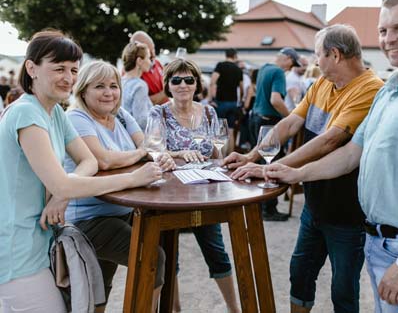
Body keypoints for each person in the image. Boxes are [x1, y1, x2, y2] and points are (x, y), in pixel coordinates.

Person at [266, 0, 398, 312]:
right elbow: (352, 153)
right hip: (382, 241)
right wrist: (296, 173)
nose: (389, 38)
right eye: (383, 30)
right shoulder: (391, 89)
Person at [0, 30, 162, 312]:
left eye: (73, 70)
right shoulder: (26, 112)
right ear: (31, 68)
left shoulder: (55, 113)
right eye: (59, 68)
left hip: (40, 241)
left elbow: (89, 162)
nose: (68, 77)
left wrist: (65, 190)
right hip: (17, 247)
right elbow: (66, 181)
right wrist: (133, 178)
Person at [225, 24, 384, 312]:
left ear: (334, 55)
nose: (314, 61)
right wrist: (252, 157)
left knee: (343, 290)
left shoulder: (371, 89)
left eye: (317, 54)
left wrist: (271, 169)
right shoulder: (323, 83)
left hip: (347, 211)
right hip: (315, 202)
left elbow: (329, 141)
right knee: (300, 274)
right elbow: (289, 123)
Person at [63, 60, 175, 312]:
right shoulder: (76, 117)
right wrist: (141, 154)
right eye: (99, 86)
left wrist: (159, 155)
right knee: (152, 258)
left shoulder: (121, 115)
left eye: (114, 86)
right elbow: (102, 159)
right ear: (83, 91)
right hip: (88, 217)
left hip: (123, 210)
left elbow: (149, 146)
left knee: (100, 283)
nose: (109, 92)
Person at [150, 58, 240, 313]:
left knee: (216, 251)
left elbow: (217, 152)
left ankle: (234, 309)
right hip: (171, 193)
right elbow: (152, 150)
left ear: (196, 83)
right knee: (170, 255)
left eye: (188, 79)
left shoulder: (209, 112)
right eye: (176, 80)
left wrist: (221, 149)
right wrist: (180, 154)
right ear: (168, 84)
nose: (182, 85)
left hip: (204, 190)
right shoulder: (159, 112)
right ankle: (174, 308)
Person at [245, 47, 300, 221]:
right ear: (289, 59)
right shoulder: (278, 72)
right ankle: (269, 209)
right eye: (293, 64)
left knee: (260, 162)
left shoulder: (264, 68)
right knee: (271, 164)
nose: (291, 68)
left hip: (255, 118)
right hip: (268, 122)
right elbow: (275, 100)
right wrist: (291, 118)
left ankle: (259, 205)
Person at [209, 48, 244, 153]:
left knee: (219, 131)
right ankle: (230, 157)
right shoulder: (238, 69)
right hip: (233, 102)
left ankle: (220, 157)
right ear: (235, 56)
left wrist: (212, 98)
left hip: (221, 101)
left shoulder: (220, 66)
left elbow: (212, 82)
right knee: (231, 131)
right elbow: (241, 88)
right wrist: (240, 100)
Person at [121, 41, 154, 130]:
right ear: (139, 60)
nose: (150, 62)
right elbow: (141, 121)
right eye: (148, 58)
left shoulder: (120, 82)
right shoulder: (140, 86)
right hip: (137, 138)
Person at [130, 30, 168, 105]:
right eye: (149, 51)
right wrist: (169, 90)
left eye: (153, 48)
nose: (153, 54)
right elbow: (144, 102)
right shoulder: (133, 74)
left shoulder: (157, 63)